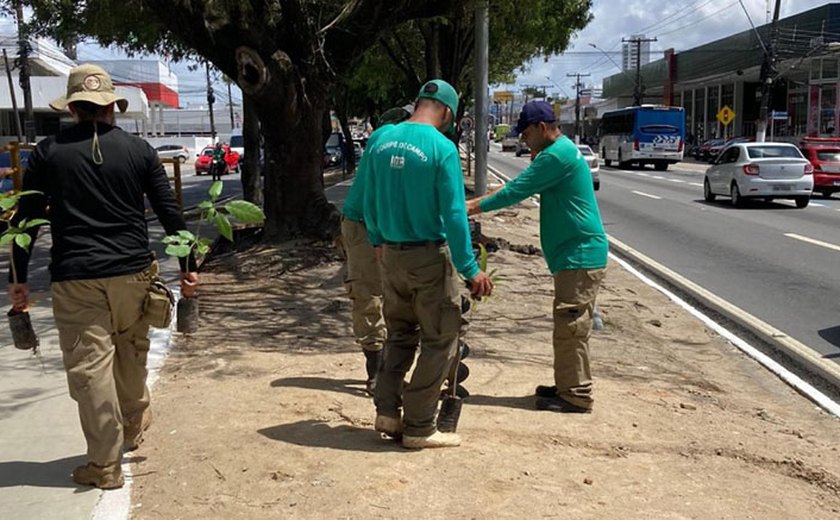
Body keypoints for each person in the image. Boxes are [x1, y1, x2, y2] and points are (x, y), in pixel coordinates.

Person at [7, 64, 199, 489]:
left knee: (90, 371)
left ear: (73, 107)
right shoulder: (139, 151)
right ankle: (132, 419)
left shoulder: (48, 152)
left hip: (76, 280)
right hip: (134, 274)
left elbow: (27, 220)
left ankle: (104, 465)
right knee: (131, 351)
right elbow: (171, 213)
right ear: (112, 104)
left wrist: (18, 277)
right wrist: (188, 270)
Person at [364, 80, 493, 449]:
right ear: (447, 113)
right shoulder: (442, 148)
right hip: (428, 257)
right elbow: (453, 215)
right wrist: (471, 268)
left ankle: (387, 411)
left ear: (418, 102)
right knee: (441, 340)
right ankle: (420, 425)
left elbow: (369, 198)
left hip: (389, 255)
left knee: (400, 335)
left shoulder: (380, 140)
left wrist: (377, 241)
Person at [467, 100, 608, 414]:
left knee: (572, 325)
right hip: (574, 255)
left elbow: (513, 192)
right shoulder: (560, 152)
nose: (524, 140)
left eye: (526, 133)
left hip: (580, 255)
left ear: (542, 128)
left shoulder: (556, 156)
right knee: (567, 323)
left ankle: (576, 395)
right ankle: (567, 384)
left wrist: (469, 207)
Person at [339, 106, 413, 395]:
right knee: (369, 293)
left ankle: (387, 369)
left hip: (386, 225)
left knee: (391, 296)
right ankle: (377, 372)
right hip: (364, 224)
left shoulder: (408, 140)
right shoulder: (388, 135)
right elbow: (375, 197)